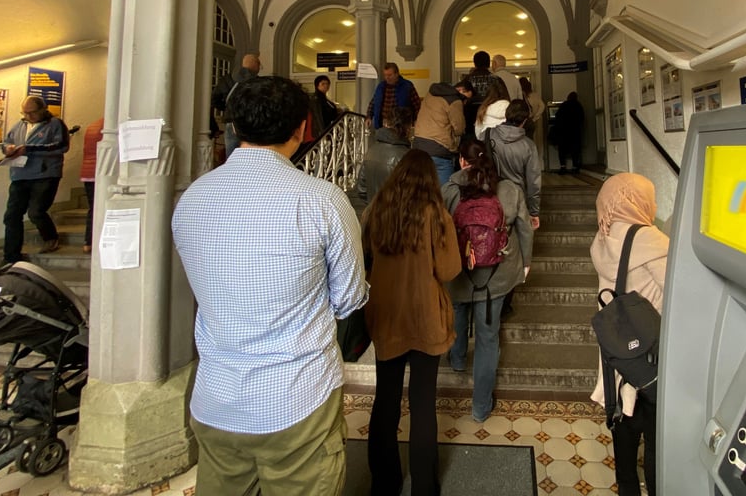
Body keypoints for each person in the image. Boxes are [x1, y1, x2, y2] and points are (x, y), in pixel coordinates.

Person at [172, 75, 368, 496]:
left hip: (215, 397)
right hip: (297, 398)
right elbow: (350, 297)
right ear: (302, 128)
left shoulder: (192, 198)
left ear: (236, 127)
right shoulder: (321, 199)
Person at [363, 149, 461, 496]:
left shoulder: (378, 208)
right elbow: (449, 270)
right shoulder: (435, 214)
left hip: (387, 315)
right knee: (422, 403)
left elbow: (366, 256)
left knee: (385, 399)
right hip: (425, 317)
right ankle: (424, 486)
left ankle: (385, 483)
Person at [442, 139, 533, 423]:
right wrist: (525, 263)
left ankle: (456, 360)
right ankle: (480, 407)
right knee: (487, 339)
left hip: (459, 272)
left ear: (460, 161)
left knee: (457, 310)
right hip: (496, 277)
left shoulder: (449, 191)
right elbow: (525, 230)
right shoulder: (509, 190)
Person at [589, 173, 669, 496]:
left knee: (624, 448)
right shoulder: (652, 242)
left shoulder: (603, 239)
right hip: (651, 362)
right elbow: (683, 294)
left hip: (618, 366)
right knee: (654, 448)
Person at [1, 96, 70, 263]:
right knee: (11, 215)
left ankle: (50, 237)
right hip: (20, 174)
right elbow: (6, 142)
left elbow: (62, 146)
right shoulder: (20, 125)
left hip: (45, 174)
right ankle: (11, 256)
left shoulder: (55, 124)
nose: (28, 116)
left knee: (36, 211)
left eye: (32, 113)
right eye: (25, 113)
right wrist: (7, 149)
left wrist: (30, 148)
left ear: (43, 109)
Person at [486, 99, 541, 230]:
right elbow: (534, 182)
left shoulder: (488, 136)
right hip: (518, 197)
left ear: (506, 115)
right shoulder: (529, 146)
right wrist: (534, 211)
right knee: (521, 241)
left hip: (492, 194)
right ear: (525, 120)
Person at [412, 79, 469, 185]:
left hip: (418, 145)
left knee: (423, 189)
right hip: (439, 149)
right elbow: (459, 128)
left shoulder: (430, 94)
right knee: (445, 191)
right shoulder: (454, 101)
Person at [356, 107, 412, 203]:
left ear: (386, 123)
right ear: (408, 128)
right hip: (397, 215)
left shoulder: (371, 150)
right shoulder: (408, 157)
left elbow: (362, 190)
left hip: (374, 213)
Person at [211, 52, 261, 156]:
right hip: (251, 122)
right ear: (256, 66)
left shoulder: (227, 79)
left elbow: (215, 99)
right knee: (251, 154)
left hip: (232, 122)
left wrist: (228, 109)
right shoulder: (258, 83)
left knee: (231, 154)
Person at [366, 62, 421, 129]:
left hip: (401, 126)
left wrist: (416, 120)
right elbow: (373, 103)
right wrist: (369, 116)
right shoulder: (381, 87)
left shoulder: (407, 86)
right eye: (385, 75)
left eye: (389, 75)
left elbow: (417, 105)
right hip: (382, 125)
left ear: (396, 74)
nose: (387, 78)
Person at [80, 117, 104, 254]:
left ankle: (88, 242)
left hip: (88, 172)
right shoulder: (109, 126)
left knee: (93, 208)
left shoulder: (93, 125)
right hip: (100, 172)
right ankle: (94, 241)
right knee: (99, 208)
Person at [550, 91, 585, 174]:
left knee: (562, 150)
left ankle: (563, 167)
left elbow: (557, 117)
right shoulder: (578, 105)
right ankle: (575, 167)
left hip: (563, 132)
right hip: (575, 132)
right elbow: (582, 118)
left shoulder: (564, 105)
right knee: (575, 150)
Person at [474, 76, 510, 140]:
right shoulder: (511, 109)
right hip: (507, 147)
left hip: (488, 146)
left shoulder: (483, 110)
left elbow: (478, 134)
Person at [518, 77, 545, 141]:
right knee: (530, 140)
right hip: (531, 120)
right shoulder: (535, 95)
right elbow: (542, 106)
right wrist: (535, 118)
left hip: (521, 121)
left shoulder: (519, 95)